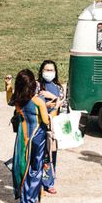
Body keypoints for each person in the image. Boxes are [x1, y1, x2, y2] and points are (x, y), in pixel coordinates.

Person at [5, 69, 50, 203]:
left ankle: (26, 199)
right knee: (35, 169)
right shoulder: (38, 100)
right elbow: (45, 120)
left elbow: (8, 99)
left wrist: (8, 85)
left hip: (22, 138)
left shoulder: (17, 99)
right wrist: (54, 108)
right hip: (37, 137)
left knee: (23, 167)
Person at [37, 60, 66, 195]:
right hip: (40, 124)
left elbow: (63, 104)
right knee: (39, 154)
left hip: (54, 125)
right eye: (46, 70)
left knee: (51, 153)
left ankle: (49, 182)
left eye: (51, 70)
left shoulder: (58, 87)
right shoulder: (37, 86)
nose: (49, 72)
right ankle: (38, 182)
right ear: (41, 71)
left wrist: (51, 97)